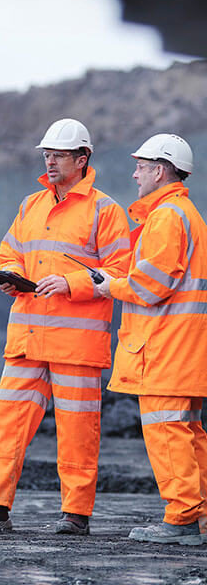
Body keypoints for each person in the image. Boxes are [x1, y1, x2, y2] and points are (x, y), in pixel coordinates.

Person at [0, 118, 130, 534]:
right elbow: (11, 249)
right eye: (47, 154)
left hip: (76, 343)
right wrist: (11, 276)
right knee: (5, 422)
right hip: (27, 338)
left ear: (83, 159)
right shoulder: (31, 205)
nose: (51, 161)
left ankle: (75, 516)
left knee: (78, 430)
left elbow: (120, 272)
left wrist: (71, 282)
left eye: (59, 155)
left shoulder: (106, 210)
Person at [93, 133, 207, 545]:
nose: (134, 173)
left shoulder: (167, 216)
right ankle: (199, 516)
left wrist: (111, 285)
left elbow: (152, 283)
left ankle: (181, 519)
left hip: (166, 347)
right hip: (183, 346)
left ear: (160, 170)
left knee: (167, 431)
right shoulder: (184, 212)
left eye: (141, 167)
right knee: (188, 431)